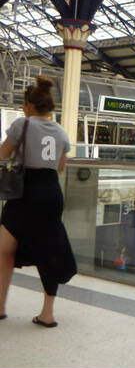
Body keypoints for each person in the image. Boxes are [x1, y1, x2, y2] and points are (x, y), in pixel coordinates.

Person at [0, 76, 76, 328]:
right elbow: (61, 167)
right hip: (51, 193)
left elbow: (3, 153)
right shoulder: (62, 132)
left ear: (30, 106)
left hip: (24, 193)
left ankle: (0, 307)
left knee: (4, 251)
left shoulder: (22, 124)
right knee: (48, 250)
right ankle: (47, 313)